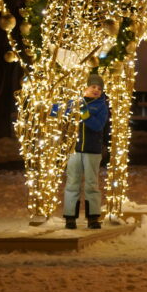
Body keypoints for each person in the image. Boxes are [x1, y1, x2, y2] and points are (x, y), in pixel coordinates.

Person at [53, 73, 110, 229]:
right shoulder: (73, 103)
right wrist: (50, 105)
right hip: (74, 150)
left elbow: (97, 126)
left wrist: (83, 112)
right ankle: (70, 217)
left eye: (99, 88)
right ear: (84, 87)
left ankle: (93, 218)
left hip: (93, 150)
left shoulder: (101, 106)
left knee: (92, 184)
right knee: (72, 183)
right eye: (93, 86)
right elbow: (55, 111)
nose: (96, 90)